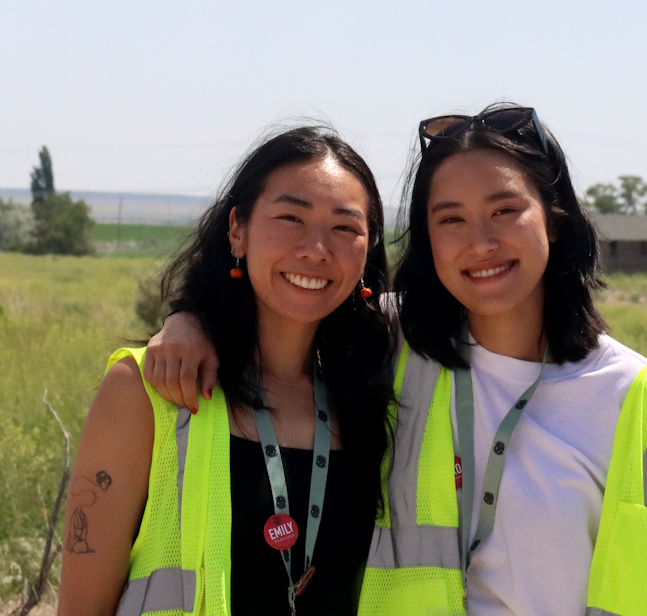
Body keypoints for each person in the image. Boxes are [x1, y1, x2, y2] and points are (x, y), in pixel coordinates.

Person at [146, 104, 647, 616]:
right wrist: (189, 320)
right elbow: (285, 300)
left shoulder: (636, 400)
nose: (480, 241)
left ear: (553, 218)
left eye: (505, 211)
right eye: (450, 218)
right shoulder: (387, 342)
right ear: (427, 238)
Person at [58, 126, 396, 616]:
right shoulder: (147, 391)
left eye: (345, 228)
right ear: (237, 230)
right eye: (290, 217)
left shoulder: (376, 391)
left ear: (368, 249)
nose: (316, 249)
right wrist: (186, 316)